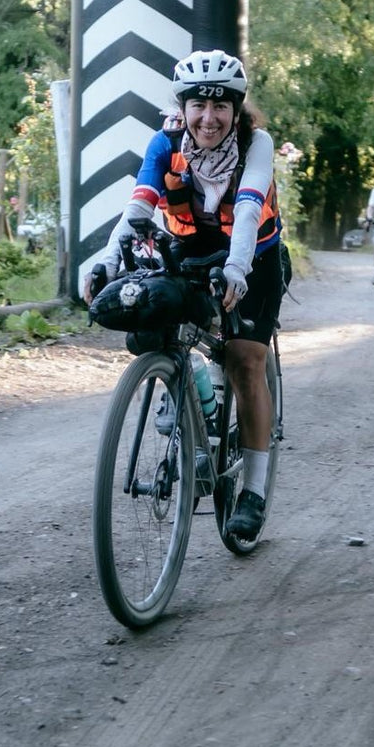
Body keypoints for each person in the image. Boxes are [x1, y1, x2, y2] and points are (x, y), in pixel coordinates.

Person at [85, 49, 285, 540]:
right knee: (159, 318)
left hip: (253, 256)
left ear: (236, 110)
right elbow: (139, 206)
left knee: (244, 361)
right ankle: (190, 392)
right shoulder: (165, 141)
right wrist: (109, 259)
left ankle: (254, 492)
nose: (209, 118)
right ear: (184, 106)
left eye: (221, 107)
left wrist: (236, 268)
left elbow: (248, 203)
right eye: (198, 105)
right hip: (190, 249)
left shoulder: (255, 143)